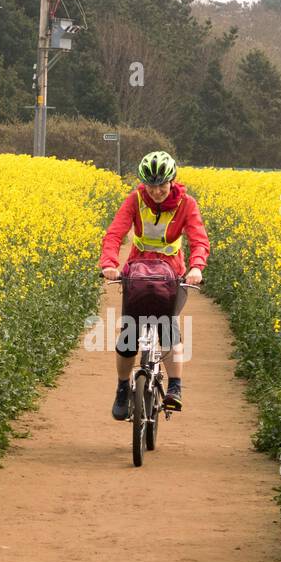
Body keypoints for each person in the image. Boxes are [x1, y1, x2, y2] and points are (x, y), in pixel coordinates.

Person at [99, 150, 209, 419]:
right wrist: (109, 264)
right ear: (143, 183)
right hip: (137, 273)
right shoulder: (135, 200)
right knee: (128, 334)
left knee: (167, 325)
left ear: (173, 180)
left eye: (162, 184)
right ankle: (123, 387)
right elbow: (115, 233)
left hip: (173, 275)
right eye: (151, 184)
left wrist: (196, 268)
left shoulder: (186, 204)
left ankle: (175, 388)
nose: (157, 190)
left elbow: (199, 239)